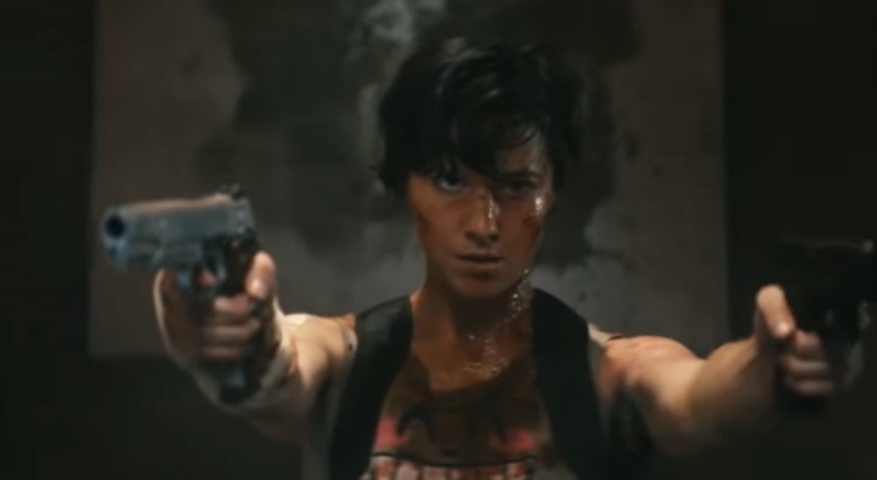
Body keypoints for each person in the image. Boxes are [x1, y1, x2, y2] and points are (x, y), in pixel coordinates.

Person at [151, 38, 858, 480]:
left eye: (516, 187)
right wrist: (225, 336)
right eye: (450, 182)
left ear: (552, 192)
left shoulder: (609, 372)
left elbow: (697, 399)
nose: (484, 225)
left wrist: (773, 365)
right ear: (405, 186)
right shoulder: (346, 359)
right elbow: (279, 372)